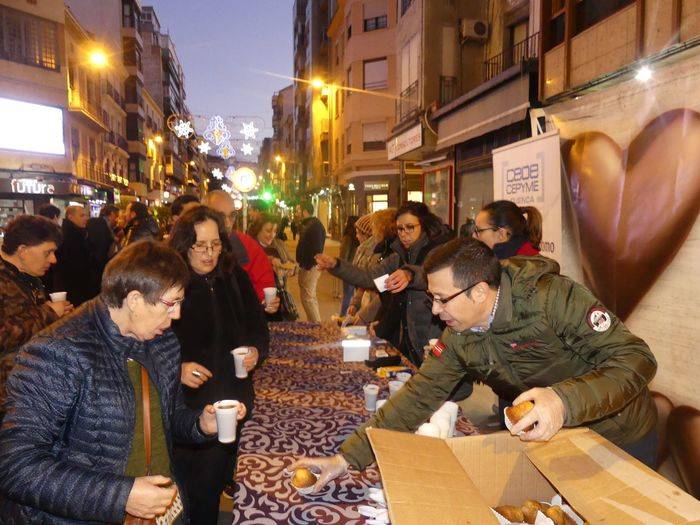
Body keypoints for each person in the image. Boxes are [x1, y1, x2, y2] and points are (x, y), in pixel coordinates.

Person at [293, 238, 659, 488]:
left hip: (621, 436)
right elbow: (418, 396)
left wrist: (563, 400)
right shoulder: (462, 334)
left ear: (479, 291)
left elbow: (636, 359)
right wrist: (346, 459)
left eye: (441, 299)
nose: (435, 310)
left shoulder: (552, 300)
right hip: (560, 442)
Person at [0, 240, 246, 522]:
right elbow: (16, 465)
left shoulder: (161, 339)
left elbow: (165, 417)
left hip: (160, 510)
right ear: (134, 300)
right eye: (171, 303)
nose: (176, 315)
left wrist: (200, 425)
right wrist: (120, 495)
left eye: (179, 303)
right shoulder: (57, 352)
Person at [169, 206, 269, 523]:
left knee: (221, 477)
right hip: (190, 405)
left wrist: (256, 350)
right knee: (198, 489)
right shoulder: (170, 284)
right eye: (201, 245)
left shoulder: (233, 276)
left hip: (234, 396)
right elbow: (150, 341)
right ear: (184, 245)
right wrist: (178, 368)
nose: (210, 253)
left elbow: (257, 326)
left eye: (215, 244)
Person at [315, 202, 453, 366]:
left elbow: (435, 276)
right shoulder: (399, 256)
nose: (404, 234)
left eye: (410, 227)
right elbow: (369, 277)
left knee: (441, 383)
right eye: (400, 229)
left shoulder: (439, 250)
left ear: (423, 225)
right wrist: (336, 265)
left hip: (436, 336)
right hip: (410, 339)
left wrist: (409, 274)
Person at [0, 215, 72, 423]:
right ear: (22, 251)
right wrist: (48, 313)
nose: (53, 260)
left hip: (30, 390)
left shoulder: (29, 277)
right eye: (47, 252)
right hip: (8, 400)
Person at [202, 191, 278, 308]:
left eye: (232, 215)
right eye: (220, 216)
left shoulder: (247, 246)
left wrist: (266, 302)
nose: (227, 223)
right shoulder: (188, 245)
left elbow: (264, 284)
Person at [346, 209, 397, 325]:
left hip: (380, 311)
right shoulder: (381, 248)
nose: (374, 230)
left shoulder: (389, 253)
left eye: (375, 225)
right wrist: (356, 303)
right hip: (371, 306)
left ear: (384, 228)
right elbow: (365, 281)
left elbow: (383, 289)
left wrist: (364, 315)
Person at [250, 213, 298, 321]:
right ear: (258, 229)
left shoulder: (279, 245)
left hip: (277, 298)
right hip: (256, 300)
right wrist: (269, 261)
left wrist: (287, 270)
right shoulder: (250, 246)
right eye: (268, 231)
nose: (272, 235)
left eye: (275, 231)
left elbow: (293, 267)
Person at [53, 204, 99, 306]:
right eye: (82, 215)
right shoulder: (69, 236)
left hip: (79, 287)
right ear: (70, 217)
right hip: (75, 288)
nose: (86, 218)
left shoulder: (79, 233)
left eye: (86, 215)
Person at [473, 200, 542, 258]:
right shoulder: (522, 262)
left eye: (479, 231)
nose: (474, 236)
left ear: (501, 234)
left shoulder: (513, 269)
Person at [296, 202, 326, 322]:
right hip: (307, 265)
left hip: (311, 266)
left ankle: (317, 326)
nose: (297, 213)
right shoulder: (309, 224)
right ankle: (313, 324)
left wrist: (308, 265)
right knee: (308, 297)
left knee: (308, 298)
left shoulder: (314, 226)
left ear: (304, 211)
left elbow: (316, 248)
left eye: (298, 210)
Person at [87, 204, 120, 286]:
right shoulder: (100, 223)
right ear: (111, 214)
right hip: (97, 267)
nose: (117, 219)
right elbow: (100, 246)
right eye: (116, 216)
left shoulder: (104, 224)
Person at [338, 216, 359, 316]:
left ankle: (342, 316)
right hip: (357, 270)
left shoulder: (348, 237)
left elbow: (343, 255)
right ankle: (350, 316)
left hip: (348, 270)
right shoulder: (357, 238)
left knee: (347, 294)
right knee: (354, 296)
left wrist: (340, 268)